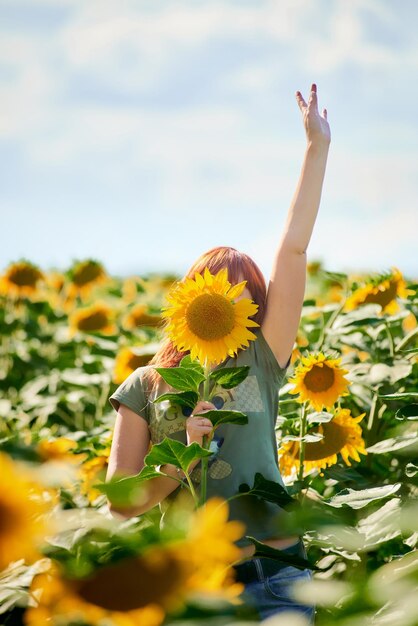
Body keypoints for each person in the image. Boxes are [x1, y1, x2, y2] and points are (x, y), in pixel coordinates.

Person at [106, 82, 330, 622]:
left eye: (245, 298)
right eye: (216, 297)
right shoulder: (145, 386)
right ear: (191, 300)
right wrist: (183, 455)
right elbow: (122, 500)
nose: (232, 307)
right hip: (195, 590)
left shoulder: (261, 359)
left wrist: (316, 148)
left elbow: (293, 248)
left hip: (276, 580)